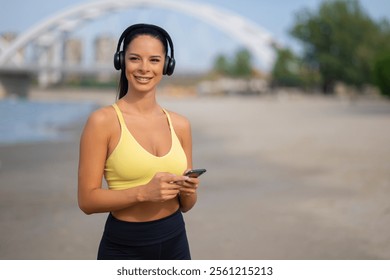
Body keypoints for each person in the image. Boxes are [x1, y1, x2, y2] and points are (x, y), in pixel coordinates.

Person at [77, 23, 200, 260]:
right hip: (124, 247)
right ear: (121, 61)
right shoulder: (102, 121)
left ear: (167, 65)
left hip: (176, 240)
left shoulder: (181, 125)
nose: (144, 68)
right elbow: (87, 200)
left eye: (154, 60)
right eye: (135, 58)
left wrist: (189, 191)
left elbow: (186, 204)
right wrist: (143, 193)